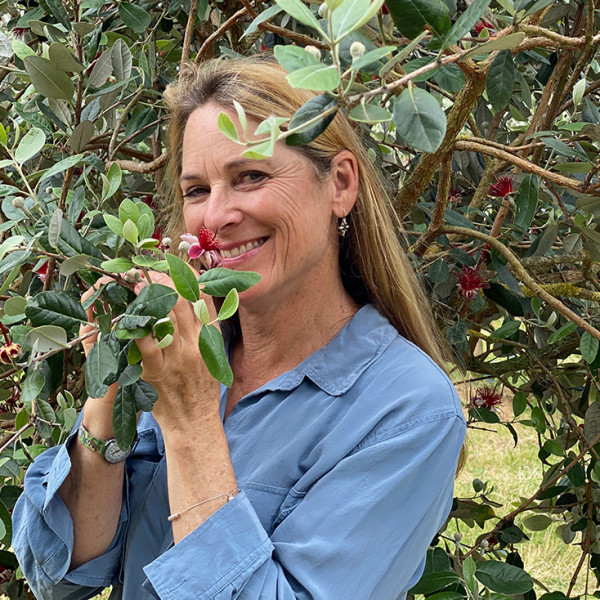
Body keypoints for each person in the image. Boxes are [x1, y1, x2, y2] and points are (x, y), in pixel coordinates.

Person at [12, 57, 466, 600]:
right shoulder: (183, 350)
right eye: (197, 190)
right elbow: (59, 578)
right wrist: (108, 391)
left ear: (340, 184)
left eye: (251, 176)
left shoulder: (408, 412)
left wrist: (190, 422)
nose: (216, 216)